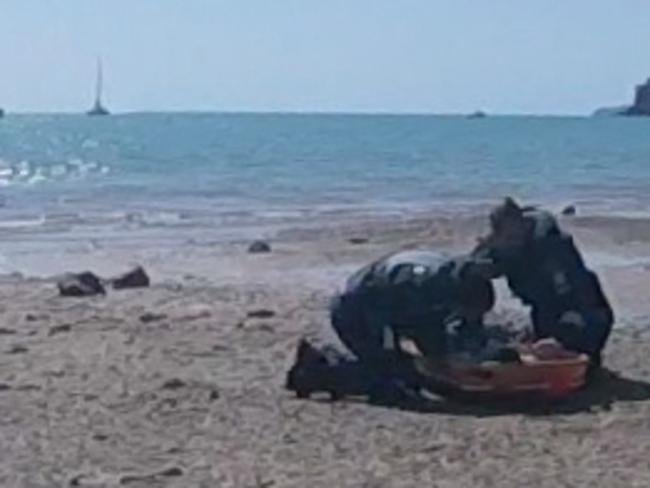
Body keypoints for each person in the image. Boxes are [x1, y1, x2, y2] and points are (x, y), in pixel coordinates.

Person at [286, 250, 496, 401]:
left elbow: (433, 330)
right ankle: (315, 372)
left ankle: (332, 360)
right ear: (457, 300)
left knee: (425, 369)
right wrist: (402, 365)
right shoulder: (417, 285)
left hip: (384, 304)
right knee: (391, 381)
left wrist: (447, 361)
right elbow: (393, 326)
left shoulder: (454, 277)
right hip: (355, 309)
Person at [472, 197, 614, 369]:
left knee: (575, 341)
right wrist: (485, 248)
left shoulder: (554, 247)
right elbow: (473, 268)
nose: (512, 241)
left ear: (524, 224)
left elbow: (580, 299)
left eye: (514, 236)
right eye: (506, 237)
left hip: (582, 313)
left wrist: (559, 341)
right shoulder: (505, 246)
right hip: (544, 312)